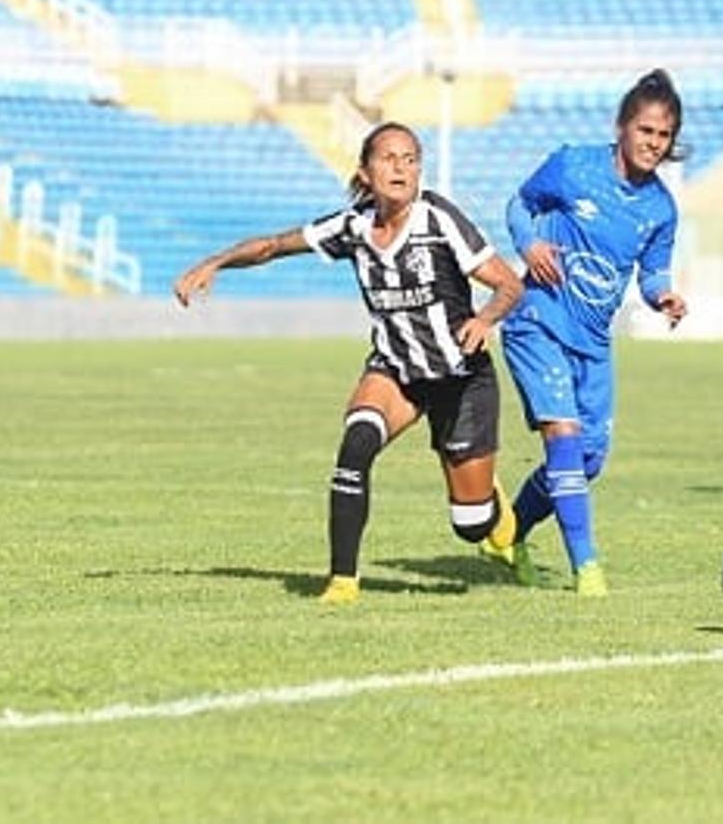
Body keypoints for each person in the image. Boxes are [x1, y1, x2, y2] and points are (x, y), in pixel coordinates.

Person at [173, 122, 524, 603]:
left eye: (411, 159)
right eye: (389, 158)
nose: (402, 168)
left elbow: (509, 284)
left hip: (460, 379)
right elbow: (275, 246)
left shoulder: (439, 219)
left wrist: (485, 320)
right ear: (365, 170)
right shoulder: (353, 226)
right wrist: (214, 262)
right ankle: (342, 582)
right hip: (396, 371)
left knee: (473, 525)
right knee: (356, 444)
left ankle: (495, 510)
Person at [494, 68, 690, 596]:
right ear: (623, 126)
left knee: (588, 459)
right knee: (564, 437)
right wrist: (529, 244)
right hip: (538, 319)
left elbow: (652, 272)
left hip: (593, 341)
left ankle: (509, 529)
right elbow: (519, 204)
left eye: (663, 135)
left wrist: (663, 296)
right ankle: (588, 568)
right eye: (646, 130)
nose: (653, 143)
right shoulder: (572, 165)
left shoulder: (660, 208)